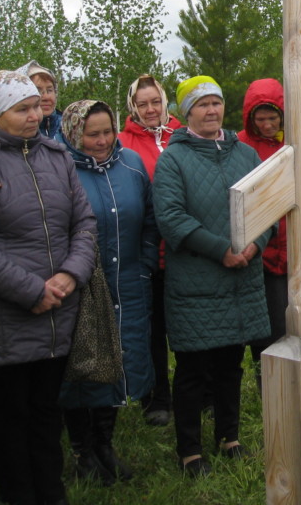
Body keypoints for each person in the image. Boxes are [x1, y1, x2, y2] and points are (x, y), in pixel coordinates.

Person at [152, 75, 272, 477]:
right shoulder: (174, 158)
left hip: (241, 280)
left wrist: (256, 242)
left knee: (229, 365)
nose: (211, 110)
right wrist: (221, 250)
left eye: (216, 103)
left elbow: (267, 202)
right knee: (191, 371)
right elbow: (170, 218)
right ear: (187, 113)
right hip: (197, 284)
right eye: (202, 104)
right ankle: (189, 450)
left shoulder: (245, 154)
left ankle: (229, 436)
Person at [0, 70, 96, 505]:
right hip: (9, 318)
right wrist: (30, 290)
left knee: (45, 413)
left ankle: (52, 493)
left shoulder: (57, 157)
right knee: (9, 420)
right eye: (22, 109)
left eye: (37, 106)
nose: (35, 115)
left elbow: (85, 223)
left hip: (58, 312)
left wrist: (71, 274)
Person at [57, 100, 158, 485]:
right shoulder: (63, 170)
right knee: (84, 366)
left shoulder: (131, 166)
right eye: (92, 134)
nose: (102, 141)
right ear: (73, 133)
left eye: (107, 132)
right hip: (84, 288)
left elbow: (150, 220)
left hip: (129, 283)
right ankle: (83, 451)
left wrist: (145, 265)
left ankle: (104, 445)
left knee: (119, 363)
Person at [118, 74, 183, 426]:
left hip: (183, 250)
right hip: (146, 251)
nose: (150, 109)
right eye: (142, 104)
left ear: (164, 101)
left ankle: (199, 392)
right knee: (153, 329)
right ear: (133, 106)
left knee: (187, 326)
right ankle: (157, 397)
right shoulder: (122, 142)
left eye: (155, 101)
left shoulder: (182, 135)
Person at [236, 78, 288, 383]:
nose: (267, 125)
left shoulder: (295, 141)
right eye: (261, 119)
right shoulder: (241, 145)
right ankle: (266, 386)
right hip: (259, 251)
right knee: (263, 326)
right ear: (250, 118)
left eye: (273, 117)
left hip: (293, 248)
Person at [17, 60, 62, 139]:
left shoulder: (68, 127)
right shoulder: (14, 132)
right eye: (38, 91)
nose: (46, 97)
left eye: (49, 90)